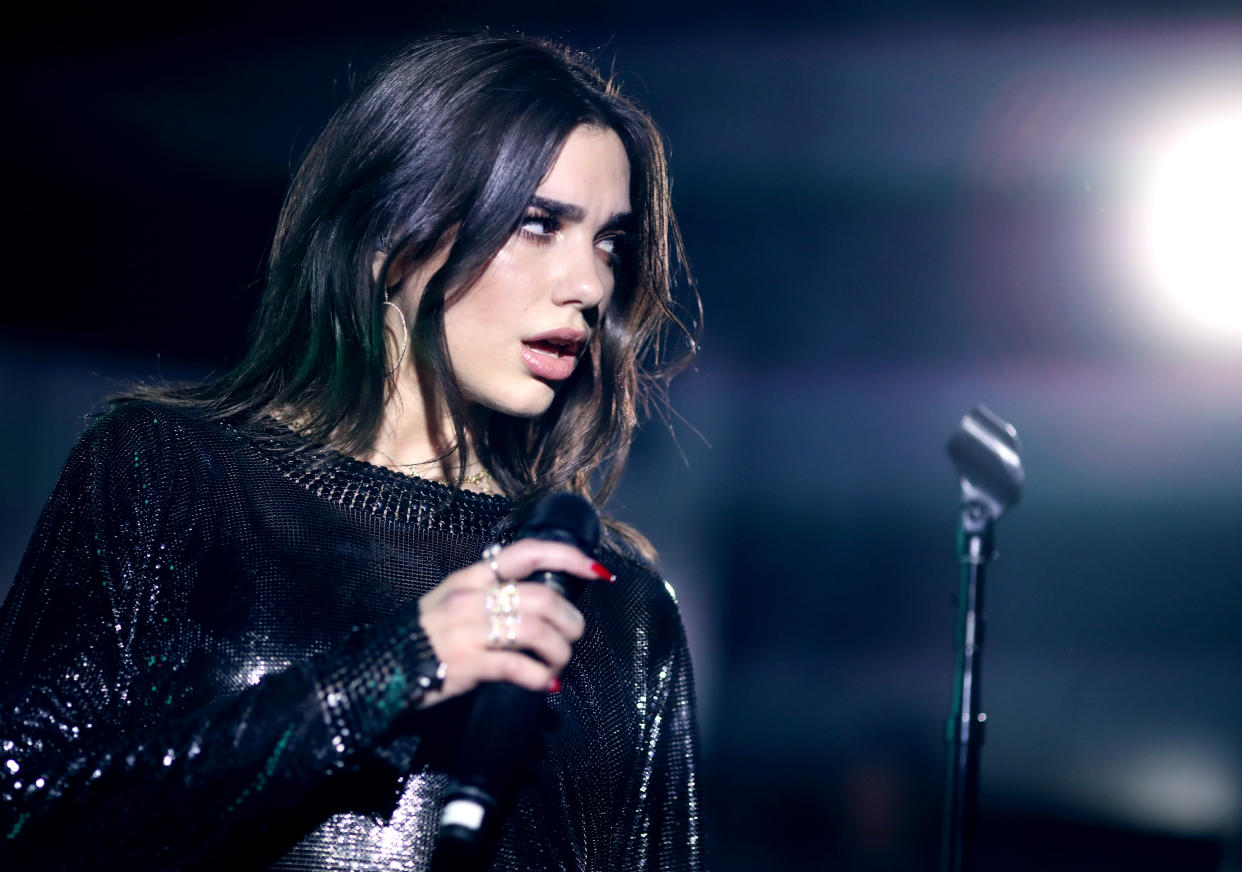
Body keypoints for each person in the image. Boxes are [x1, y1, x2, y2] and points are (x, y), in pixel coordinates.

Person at [0, 31, 703, 871]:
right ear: (395, 232)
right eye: (539, 223)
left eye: (609, 244)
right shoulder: (170, 473)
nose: (588, 286)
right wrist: (384, 676)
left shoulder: (618, 608)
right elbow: (26, 816)